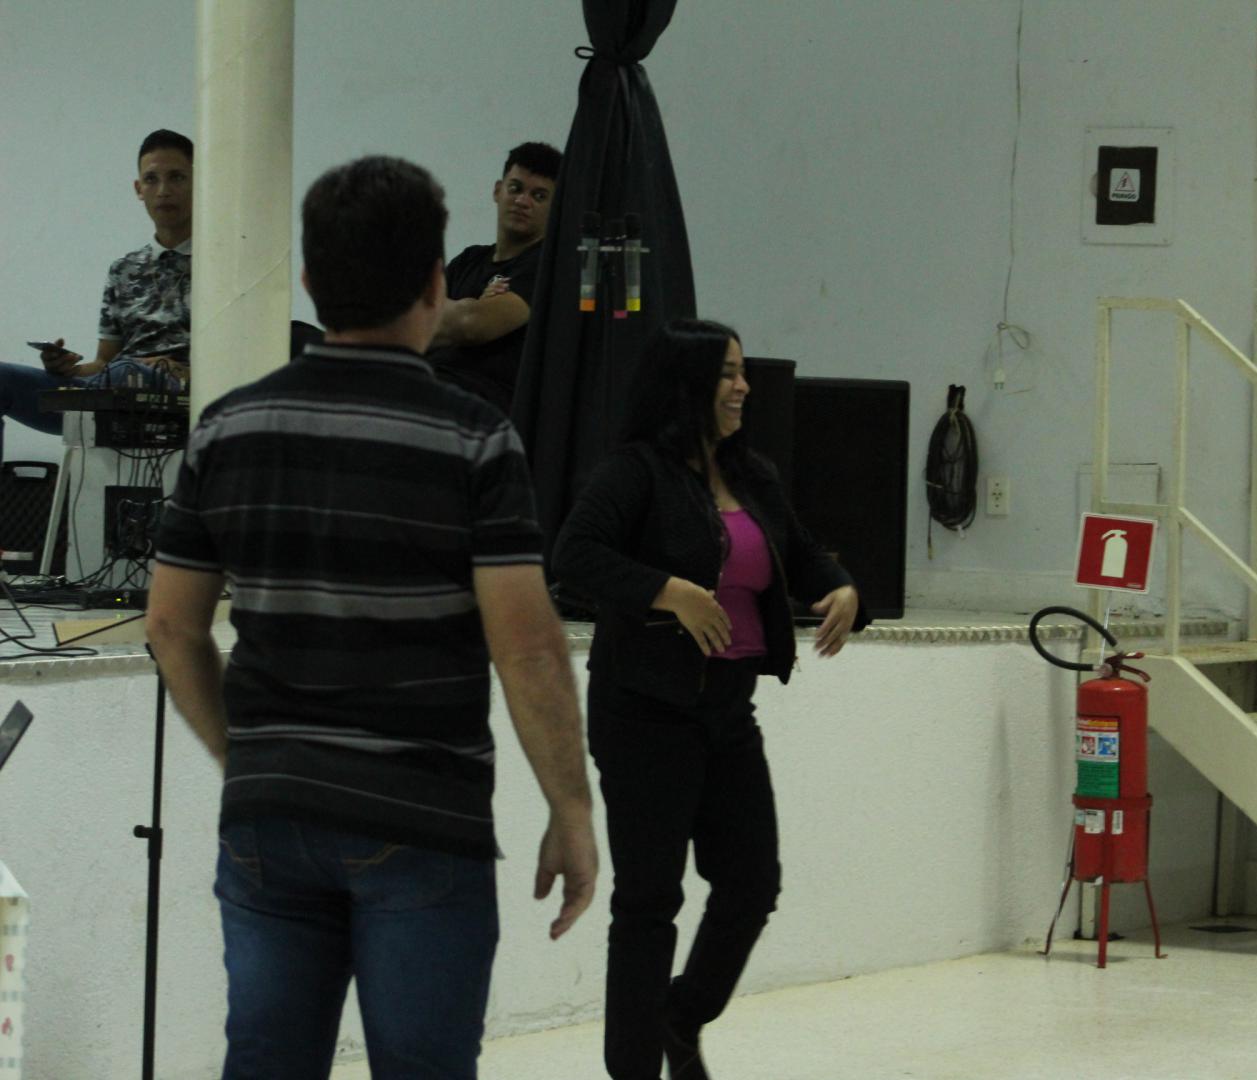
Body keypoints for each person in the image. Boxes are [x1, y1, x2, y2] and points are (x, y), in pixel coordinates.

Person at [145, 155, 597, 1079]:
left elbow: (171, 628)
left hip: (270, 817)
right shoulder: (473, 438)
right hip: (420, 817)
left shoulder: (226, 428)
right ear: (435, 284)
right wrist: (571, 805)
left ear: (310, 282)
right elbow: (530, 649)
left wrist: (248, 757)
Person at [551, 318, 867, 1080]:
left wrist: (840, 586)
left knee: (752, 883)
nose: (743, 387)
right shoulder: (634, 472)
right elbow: (575, 556)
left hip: (727, 709)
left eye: (742, 371)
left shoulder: (752, 473)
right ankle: (633, 1068)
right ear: (686, 383)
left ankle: (680, 1015)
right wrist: (667, 591)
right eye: (728, 373)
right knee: (649, 903)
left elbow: (796, 552)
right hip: (644, 711)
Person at [0, 129, 193, 459]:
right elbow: (104, 362)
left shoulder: (225, 266)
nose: (163, 190)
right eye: (151, 179)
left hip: (183, 399)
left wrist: (175, 369)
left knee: (126, 371)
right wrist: (68, 370)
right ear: (139, 189)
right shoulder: (124, 269)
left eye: (176, 177)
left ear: (199, 183)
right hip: (114, 390)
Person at [427, 141, 561, 412]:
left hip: (481, 403)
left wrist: (464, 312)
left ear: (557, 207)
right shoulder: (469, 260)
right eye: (516, 189)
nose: (522, 201)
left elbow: (472, 325)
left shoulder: (547, 266)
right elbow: (415, 322)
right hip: (430, 383)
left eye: (538, 196)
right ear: (498, 191)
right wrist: (468, 308)